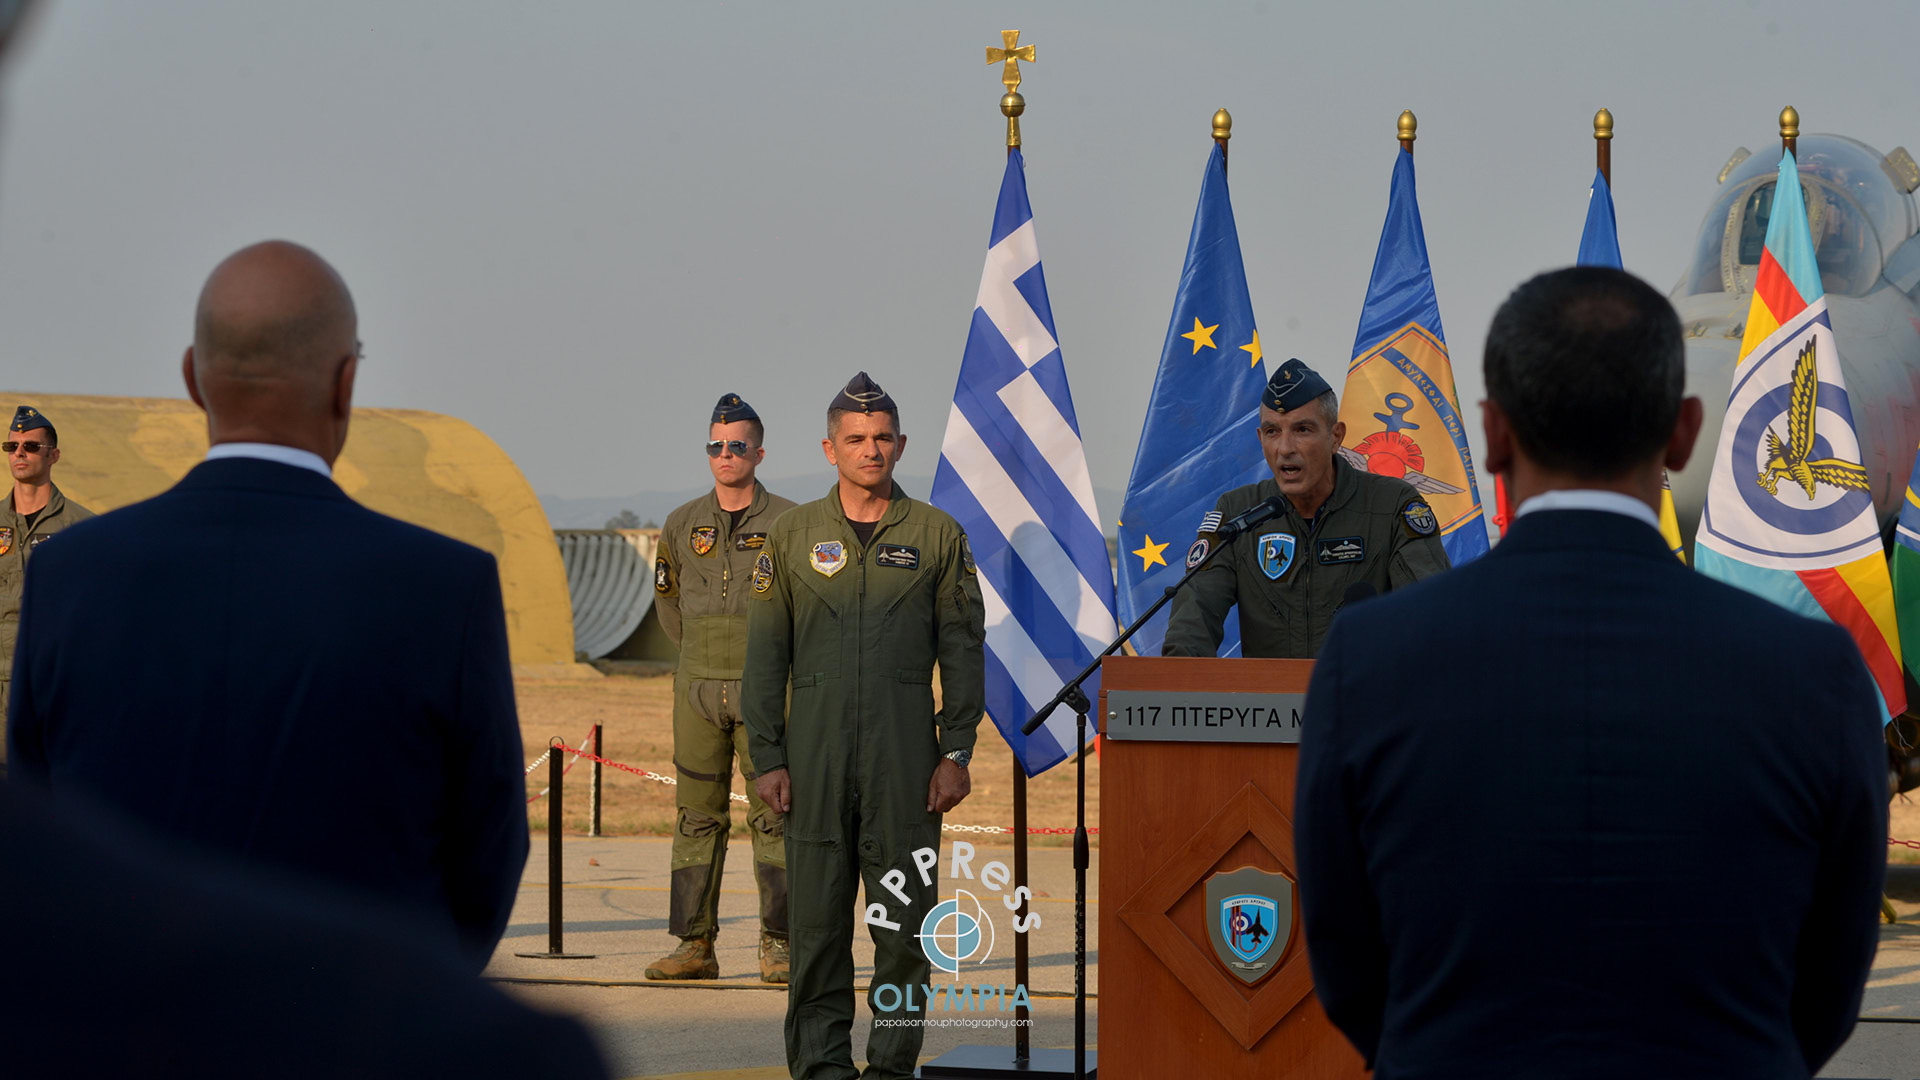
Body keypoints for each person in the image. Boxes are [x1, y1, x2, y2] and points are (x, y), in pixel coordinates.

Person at [1294, 266, 1887, 1078]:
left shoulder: (1367, 661)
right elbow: (1828, 987)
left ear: (1493, 435)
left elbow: (1347, 965)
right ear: (1684, 433)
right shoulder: (1816, 674)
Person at [6, 241, 527, 971]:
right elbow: (487, 848)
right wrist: (410, 998)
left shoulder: (69, 574)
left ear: (193, 378)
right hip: (361, 1013)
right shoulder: (447, 586)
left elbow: (39, 824)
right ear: (346, 383)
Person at [741, 372, 984, 1080]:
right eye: (855, 439)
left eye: (882, 438)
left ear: (901, 444)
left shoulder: (938, 535)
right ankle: (821, 1068)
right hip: (812, 761)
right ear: (830, 449)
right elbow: (765, 659)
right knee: (816, 932)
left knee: (904, 935)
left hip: (904, 762)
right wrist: (767, 758)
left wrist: (956, 751)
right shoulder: (791, 537)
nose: (870, 450)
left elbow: (963, 651)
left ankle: (891, 1068)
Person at [646, 392, 796, 983]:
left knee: (776, 814)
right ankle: (694, 945)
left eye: (737, 445)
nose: (726, 454)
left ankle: (779, 945)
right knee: (696, 816)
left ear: (759, 453)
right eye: (716, 445)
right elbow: (668, 604)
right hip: (698, 690)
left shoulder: (791, 522)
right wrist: (702, 658)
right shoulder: (682, 523)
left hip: (767, 689)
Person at [1162, 357, 1449, 658]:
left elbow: (1431, 617)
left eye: (1302, 430)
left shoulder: (1391, 505)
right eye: (1272, 431)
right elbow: (1193, 621)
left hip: (1362, 688)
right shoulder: (1238, 513)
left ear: (1335, 436)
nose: (1285, 448)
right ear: (1260, 438)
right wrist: (1177, 680)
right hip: (1267, 691)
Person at [1, 405, 94, 766]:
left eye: (31, 446)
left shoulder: (83, 529)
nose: (19, 453)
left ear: (53, 455)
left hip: (52, 693)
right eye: (12, 447)